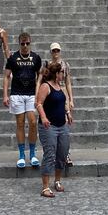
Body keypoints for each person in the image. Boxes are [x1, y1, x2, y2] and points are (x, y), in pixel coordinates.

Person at [3, 32, 42, 168]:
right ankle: (21, 155)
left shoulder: (36, 58)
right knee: (20, 123)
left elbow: (40, 77)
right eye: (22, 44)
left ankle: (32, 153)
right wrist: (5, 95)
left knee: (32, 121)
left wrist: (39, 95)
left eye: (27, 43)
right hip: (17, 94)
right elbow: (7, 76)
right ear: (19, 43)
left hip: (31, 94)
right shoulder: (13, 58)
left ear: (30, 43)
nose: (25, 46)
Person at [35, 61, 72, 198]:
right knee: (50, 154)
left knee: (62, 153)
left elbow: (63, 103)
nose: (63, 75)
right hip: (49, 126)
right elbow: (39, 103)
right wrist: (44, 117)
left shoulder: (59, 87)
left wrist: (68, 113)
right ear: (57, 74)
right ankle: (45, 187)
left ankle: (57, 181)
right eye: (62, 73)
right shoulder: (46, 86)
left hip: (62, 125)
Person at [36, 42, 74, 166]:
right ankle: (53, 152)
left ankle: (65, 154)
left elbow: (68, 82)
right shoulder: (46, 64)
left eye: (57, 50)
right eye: (54, 51)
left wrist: (71, 99)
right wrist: (37, 93)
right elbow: (40, 80)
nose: (56, 53)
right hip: (50, 93)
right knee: (54, 120)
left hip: (62, 93)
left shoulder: (65, 65)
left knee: (64, 124)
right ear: (51, 52)